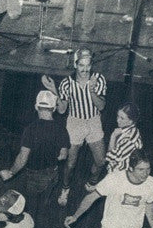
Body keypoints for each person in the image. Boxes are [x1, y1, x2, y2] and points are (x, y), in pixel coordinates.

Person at [46, 49, 107, 207]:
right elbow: (61, 110)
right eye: (81, 65)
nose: (85, 69)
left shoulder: (98, 79)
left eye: (88, 65)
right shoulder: (67, 83)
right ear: (75, 64)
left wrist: (92, 89)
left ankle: (92, 182)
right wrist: (54, 91)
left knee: (101, 161)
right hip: (75, 122)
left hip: (93, 120)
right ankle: (65, 188)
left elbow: (101, 106)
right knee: (70, 163)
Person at [0, 90, 68, 223]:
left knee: (30, 208)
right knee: (43, 203)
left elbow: (22, 158)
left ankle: (30, 227)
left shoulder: (30, 129)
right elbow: (63, 156)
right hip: (52, 174)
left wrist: (10, 172)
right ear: (53, 108)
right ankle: (41, 227)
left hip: (34, 176)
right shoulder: (61, 129)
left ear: (36, 107)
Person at [91, 102, 143, 190]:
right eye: (118, 116)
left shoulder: (128, 138)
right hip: (120, 171)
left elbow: (110, 157)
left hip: (122, 176)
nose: (118, 120)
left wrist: (113, 137)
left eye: (122, 118)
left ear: (131, 121)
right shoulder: (129, 130)